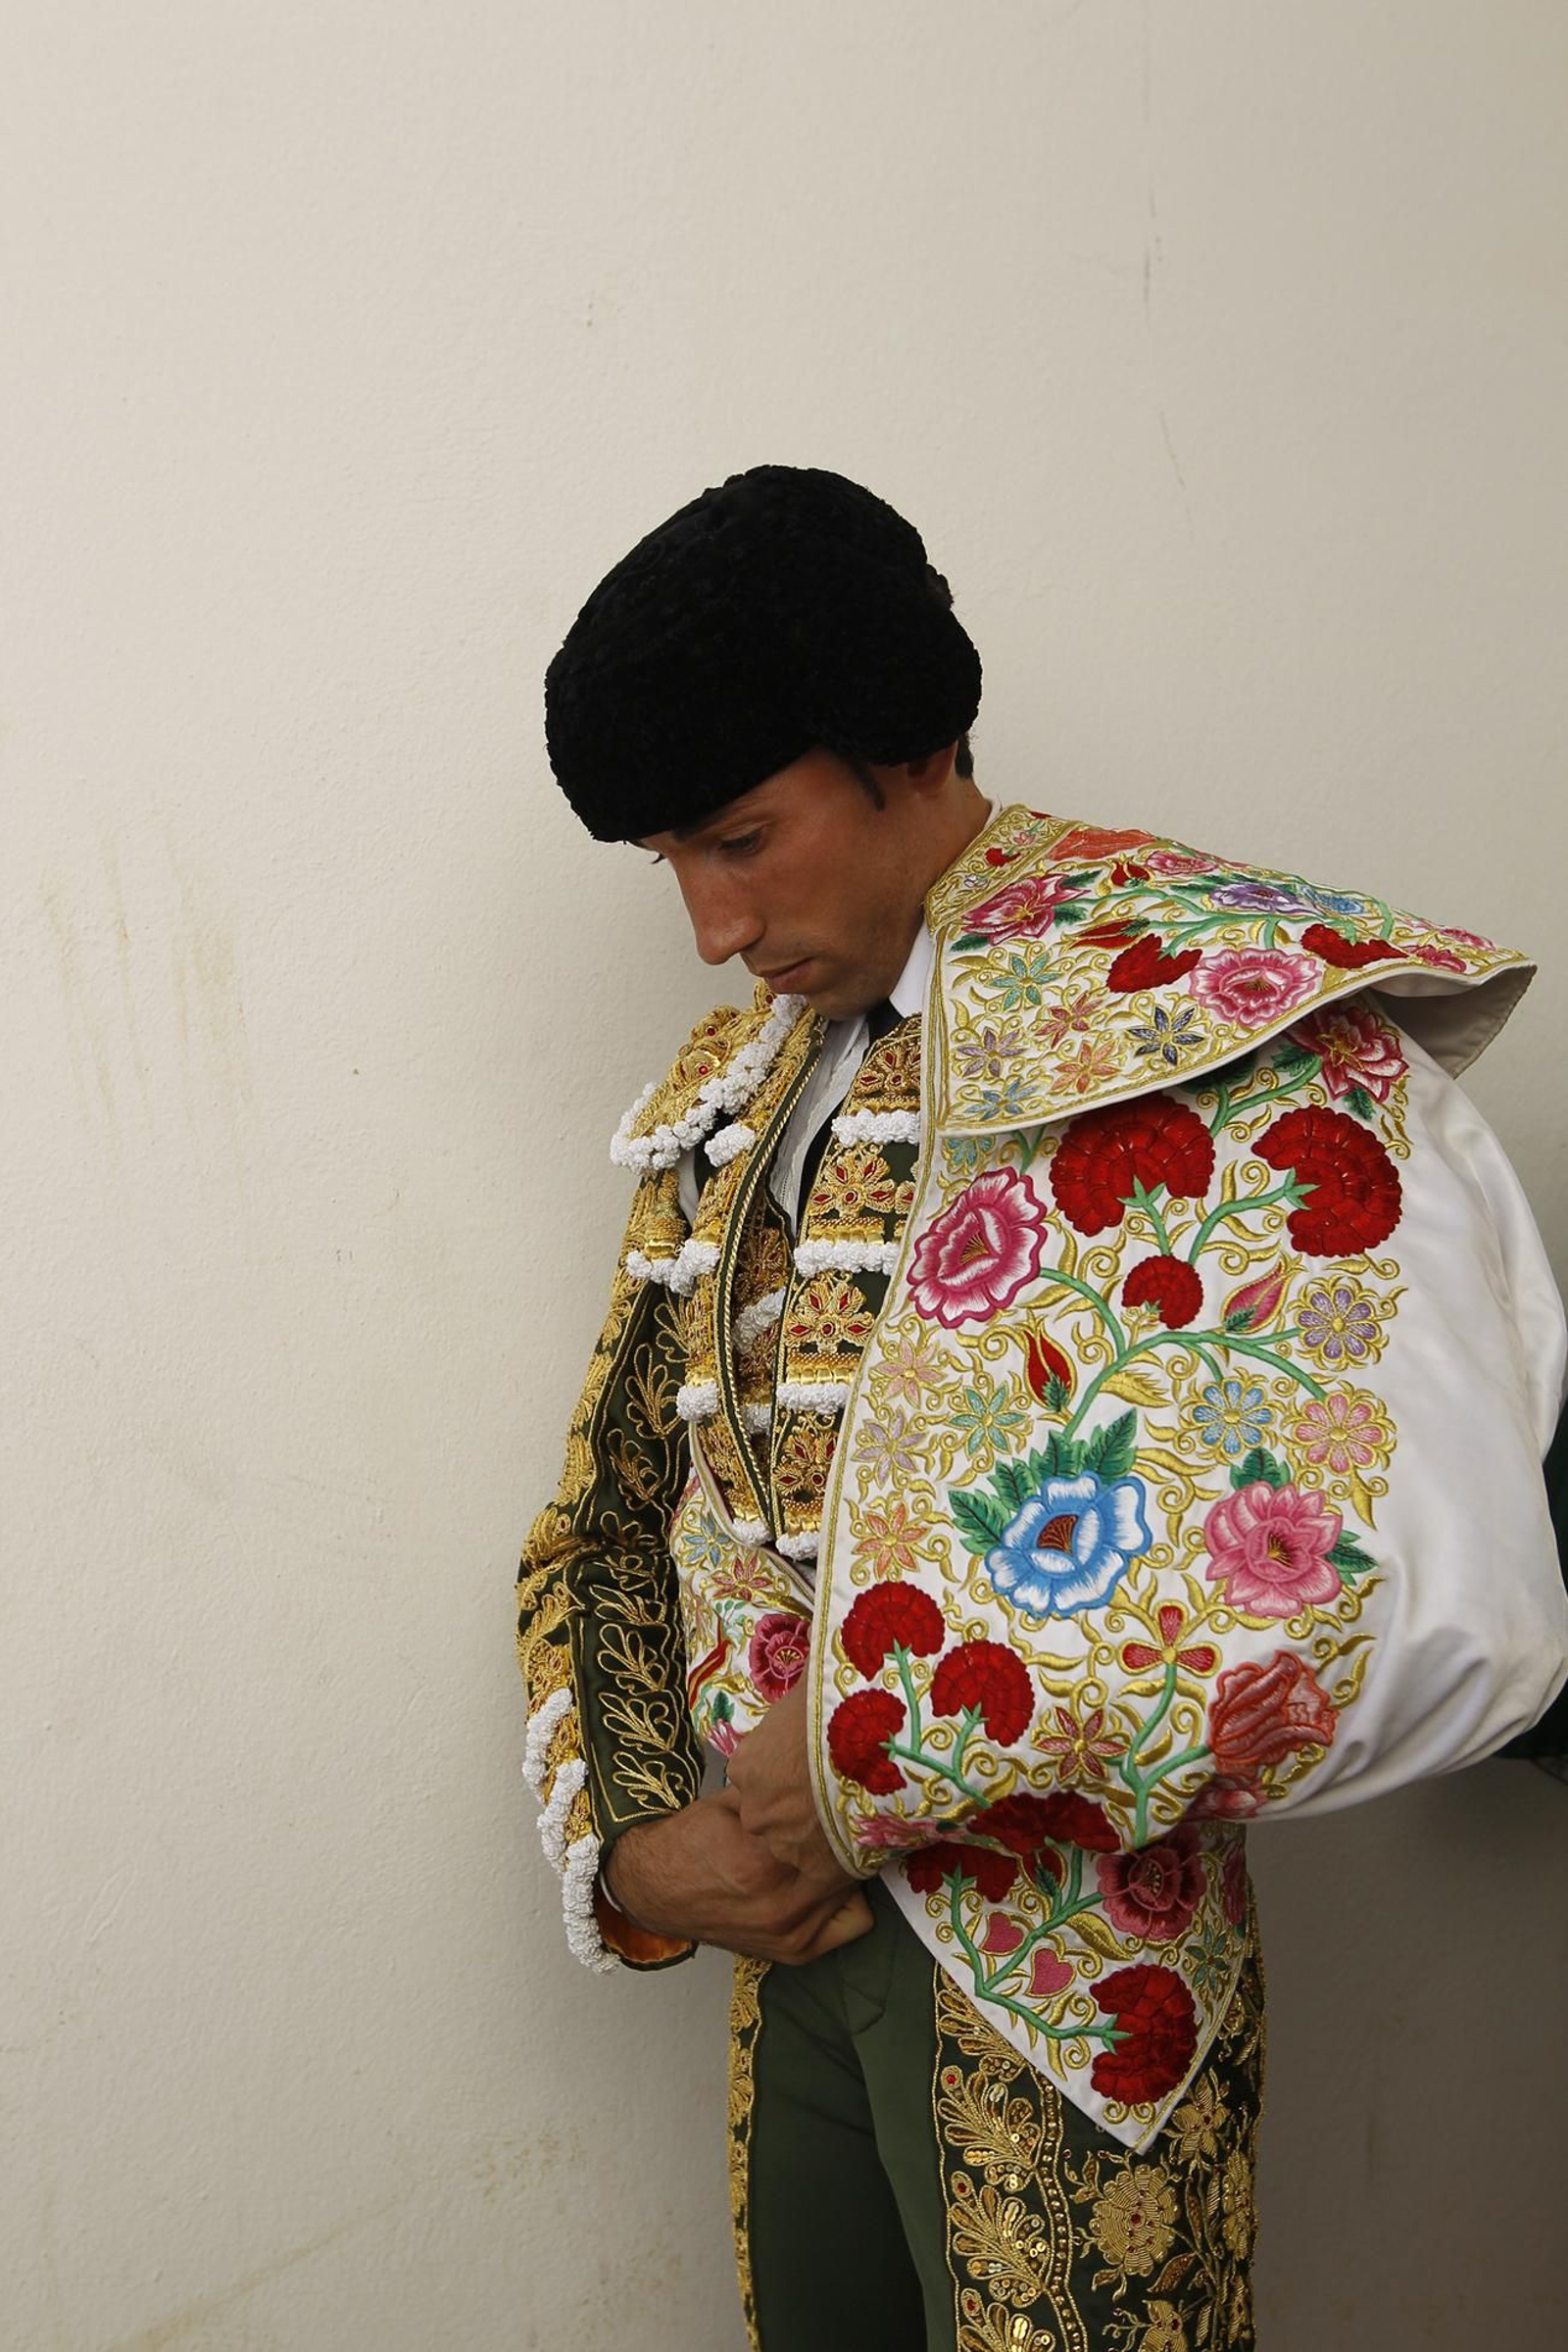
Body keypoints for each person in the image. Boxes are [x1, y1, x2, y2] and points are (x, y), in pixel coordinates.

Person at [516, 465, 1568, 2350]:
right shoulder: (732, 1085)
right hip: (793, 1966)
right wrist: (633, 1842)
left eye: (742, 838)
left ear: (909, 751)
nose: (707, 926)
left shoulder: (1218, 1004)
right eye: (671, 859)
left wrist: (863, 1771)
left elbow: (1394, 1589)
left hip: (1085, 1990)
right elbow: (621, 1493)